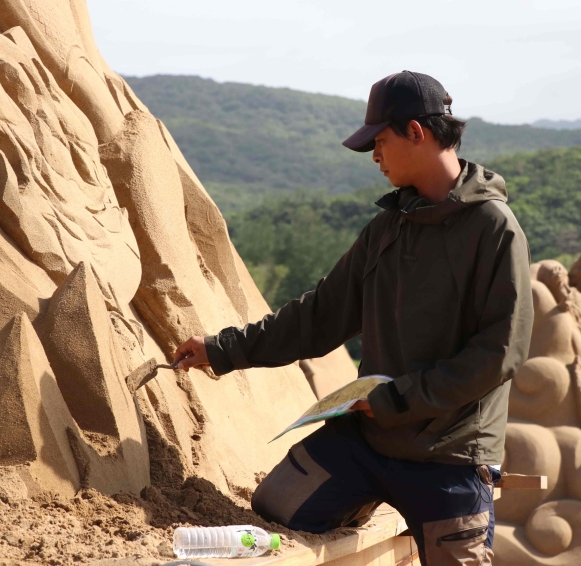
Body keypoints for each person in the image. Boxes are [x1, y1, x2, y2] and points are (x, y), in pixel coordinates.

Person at [173, 71, 534, 565]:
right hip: (369, 441)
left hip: (450, 455)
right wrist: (221, 348)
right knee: (275, 506)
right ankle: (365, 499)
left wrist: (396, 399)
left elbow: (500, 354)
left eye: (379, 141)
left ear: (416, 132)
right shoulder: (387, 229)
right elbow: (319, 315)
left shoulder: (494, 229)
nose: (375, 156)